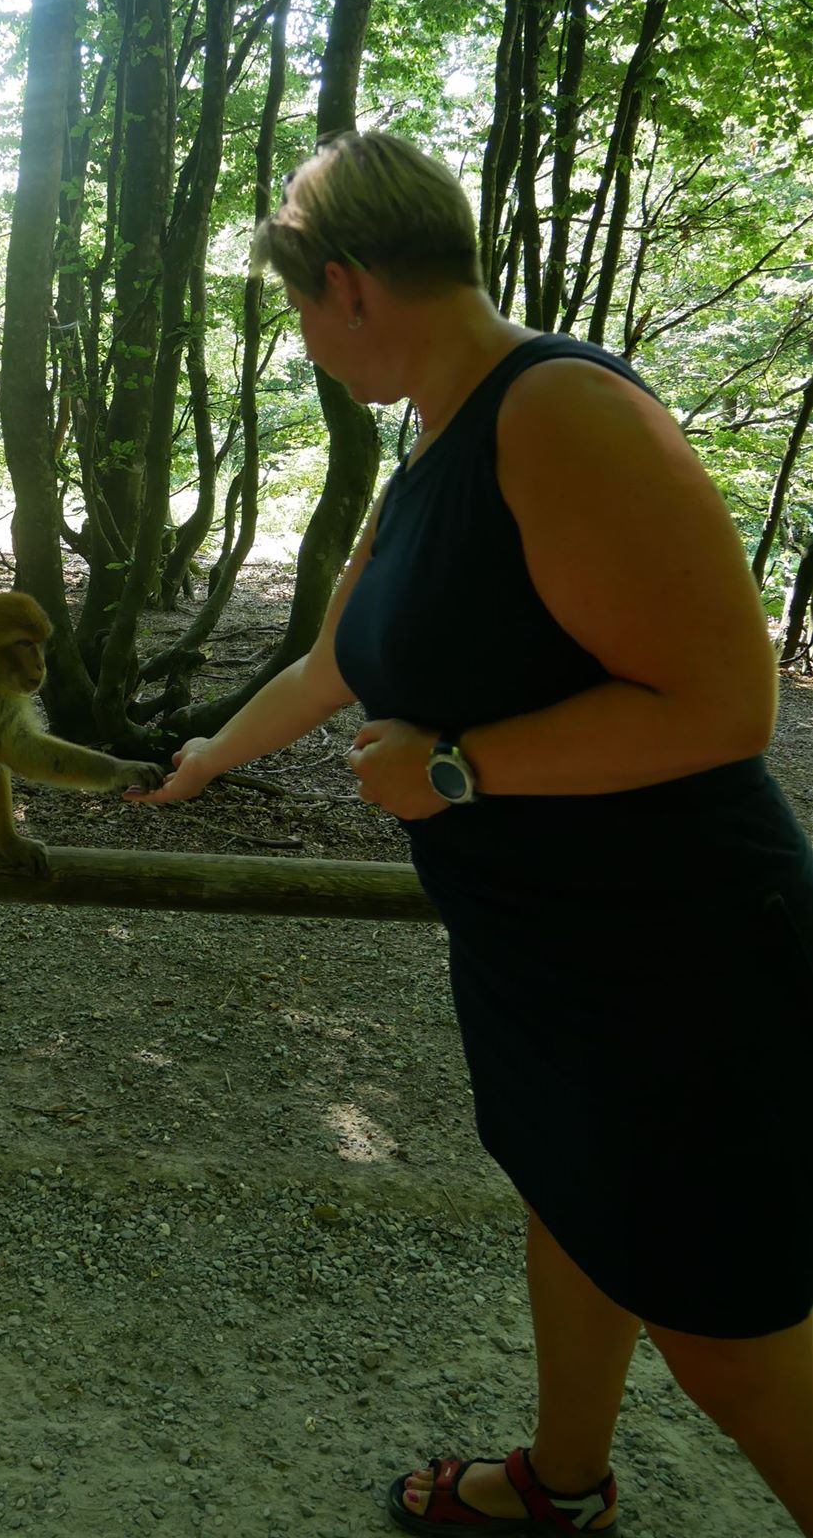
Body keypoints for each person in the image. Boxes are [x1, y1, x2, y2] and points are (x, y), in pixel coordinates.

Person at [129, 129, 813, 1534]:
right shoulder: (434, 445)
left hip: (677, 954)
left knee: (728, 1338)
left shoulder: (556, 407)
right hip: (543, 952)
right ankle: (562, 1486)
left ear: (345, 285)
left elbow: (723, 706)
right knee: (572, 1204)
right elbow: (338, 660)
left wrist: (454, 770)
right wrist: (206, 758)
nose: (304, 342)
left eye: (299, 309)